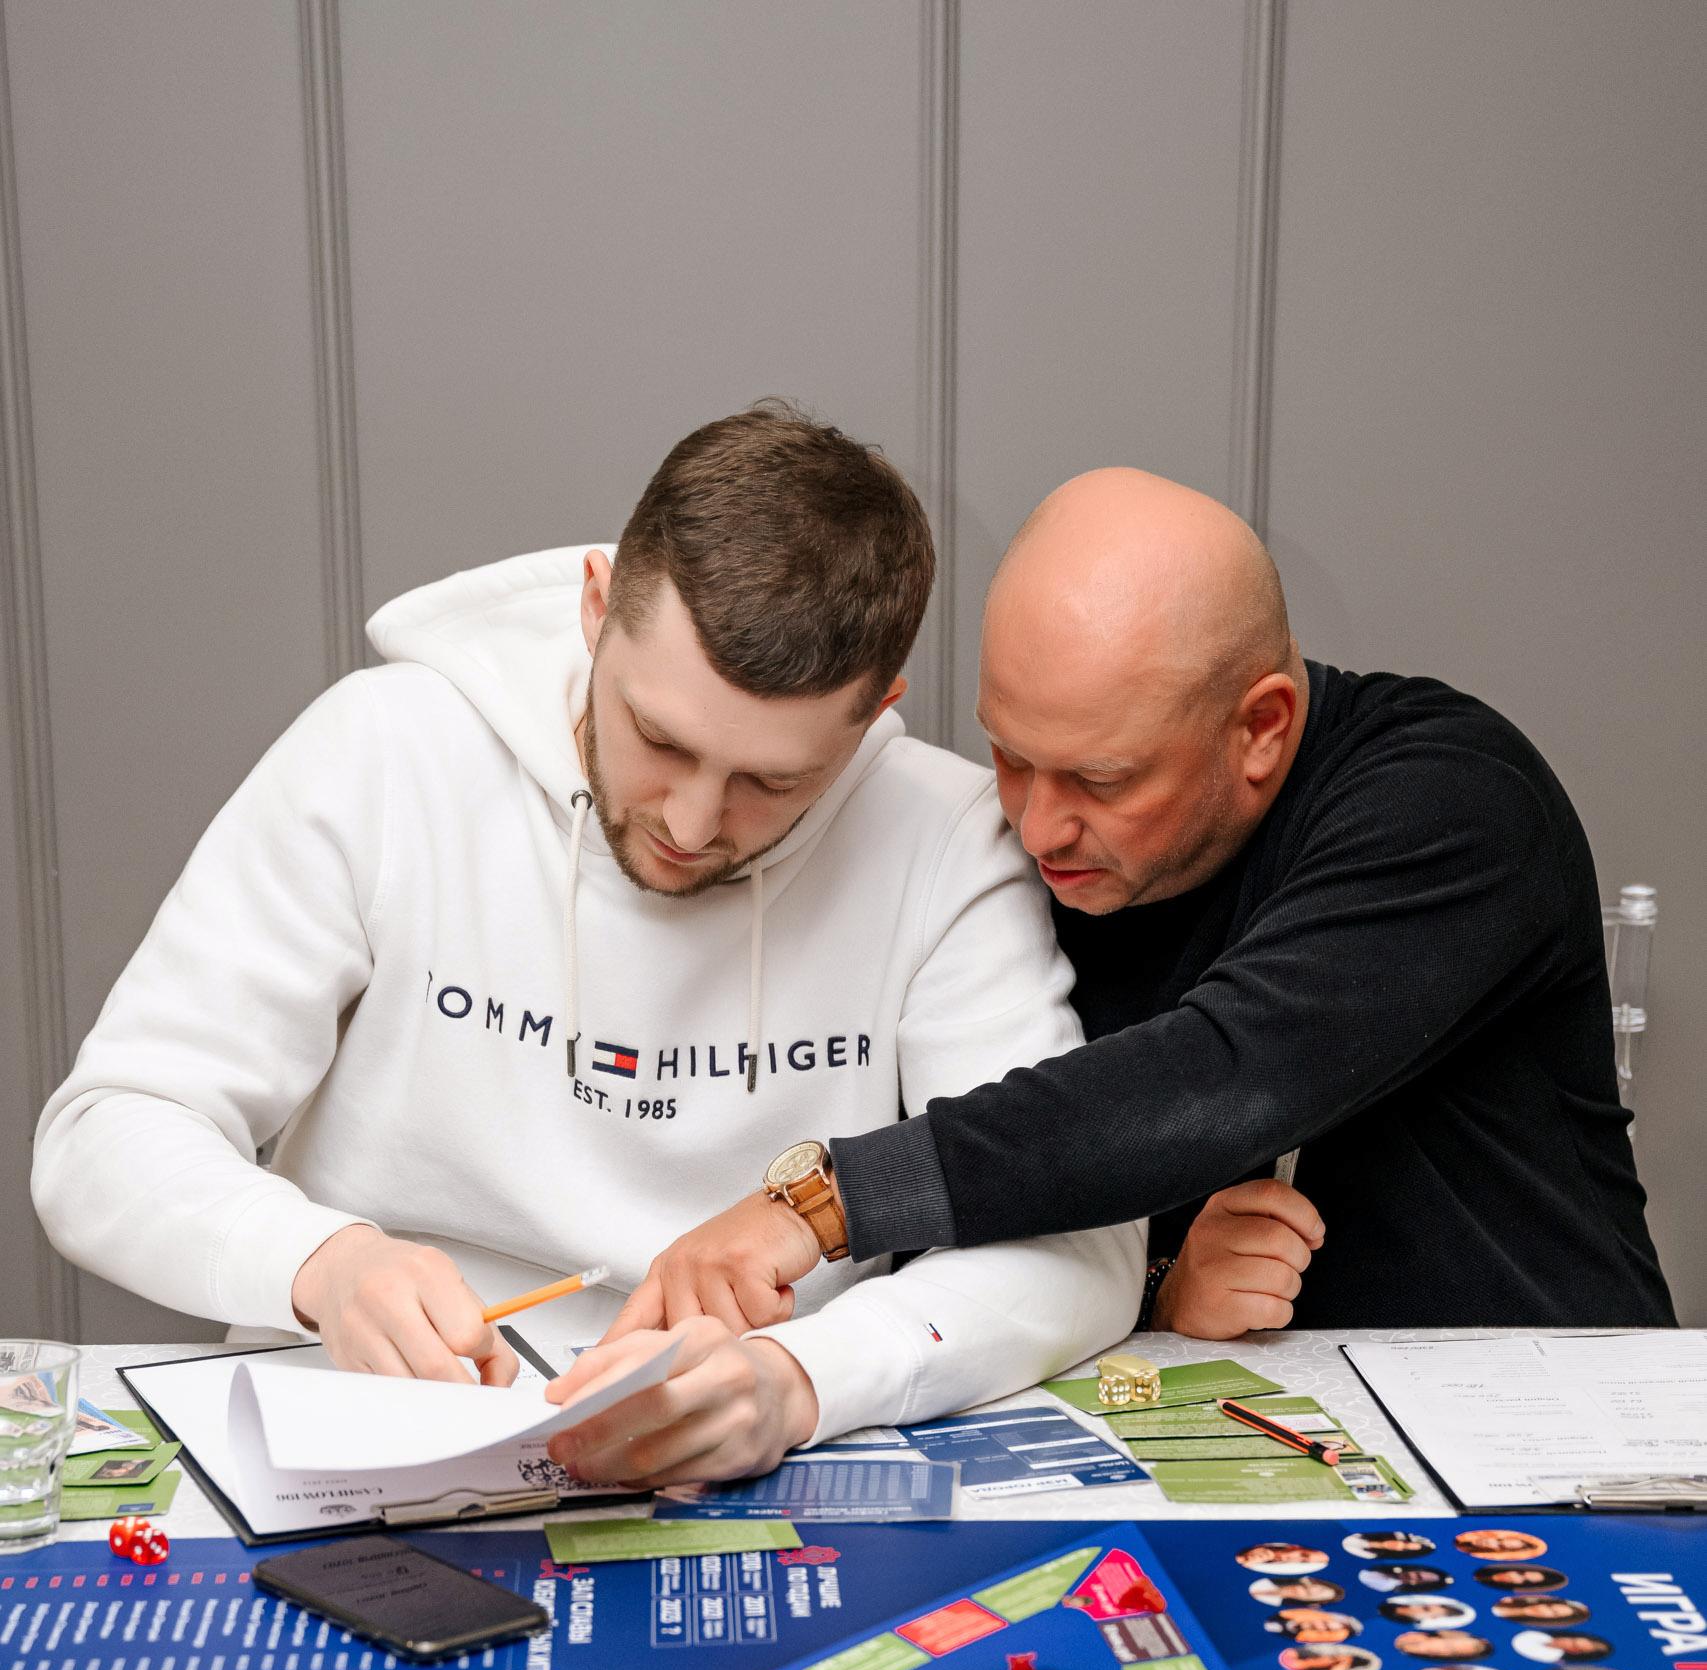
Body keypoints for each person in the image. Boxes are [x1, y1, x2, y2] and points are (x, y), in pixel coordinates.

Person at [31, 407, 1142, 1487]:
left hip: (744, 1469)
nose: (692, 823)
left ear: (873, 710)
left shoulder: (945, 843)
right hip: (352, 1439)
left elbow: (1079, 1243)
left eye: (772, 781)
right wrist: (321, 1264)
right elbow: (104, 1136)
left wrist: (803, 1379)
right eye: (660, 737)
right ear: (597, 607)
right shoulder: (383, 753)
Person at [615, 470, 1673, 1341]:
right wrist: (1161, 1289)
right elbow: (1037, 1182)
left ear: (1262, 728)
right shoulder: (1031, 859)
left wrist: (827, 1199)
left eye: (1101, 779)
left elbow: (1224, 1076)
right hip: (1251, 1455)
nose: (1037, 828)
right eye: (1009, 756)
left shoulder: (1454, 803)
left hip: (1565, 1452)